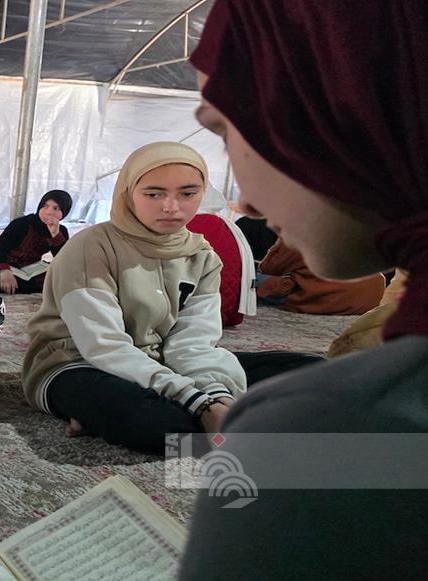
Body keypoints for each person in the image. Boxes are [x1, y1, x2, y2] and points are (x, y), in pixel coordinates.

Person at [154, 2, 428, 581]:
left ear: (346, 106)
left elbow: (209, 324)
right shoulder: (95, 248)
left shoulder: (354, 425)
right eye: (156, 193)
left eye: (229, 128)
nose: (243, 197)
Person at [21, 142, 320, 453]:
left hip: (163, 358)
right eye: (154, 194)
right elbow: (104, 345)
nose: (171, 207)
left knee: (314, 373)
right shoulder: (91, 248)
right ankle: (222, 419)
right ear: (129, 193)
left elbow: (193, 341)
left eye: (188, 194)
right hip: (79, 361)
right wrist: (200, 404)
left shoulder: (202, 255)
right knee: (154, 423)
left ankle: (206, 418)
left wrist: (217, 396)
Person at [255, 238, 385, 314]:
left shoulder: (301, 227)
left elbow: (268, 267)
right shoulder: (357, 225)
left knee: (249, 278)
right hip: (371, 296)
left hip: (327, 295)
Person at [0, 190, 71, 295]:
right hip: (2, 264)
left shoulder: (61, 231)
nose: (48, 212)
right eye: (45, 206)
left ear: (64, 212)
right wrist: (4, 271)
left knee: (63, 276)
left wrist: (55, 234)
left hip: (28, 269)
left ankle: (20, 285)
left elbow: (63, 261)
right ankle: (31, 286)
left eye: (56, 208)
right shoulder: (21, 224)